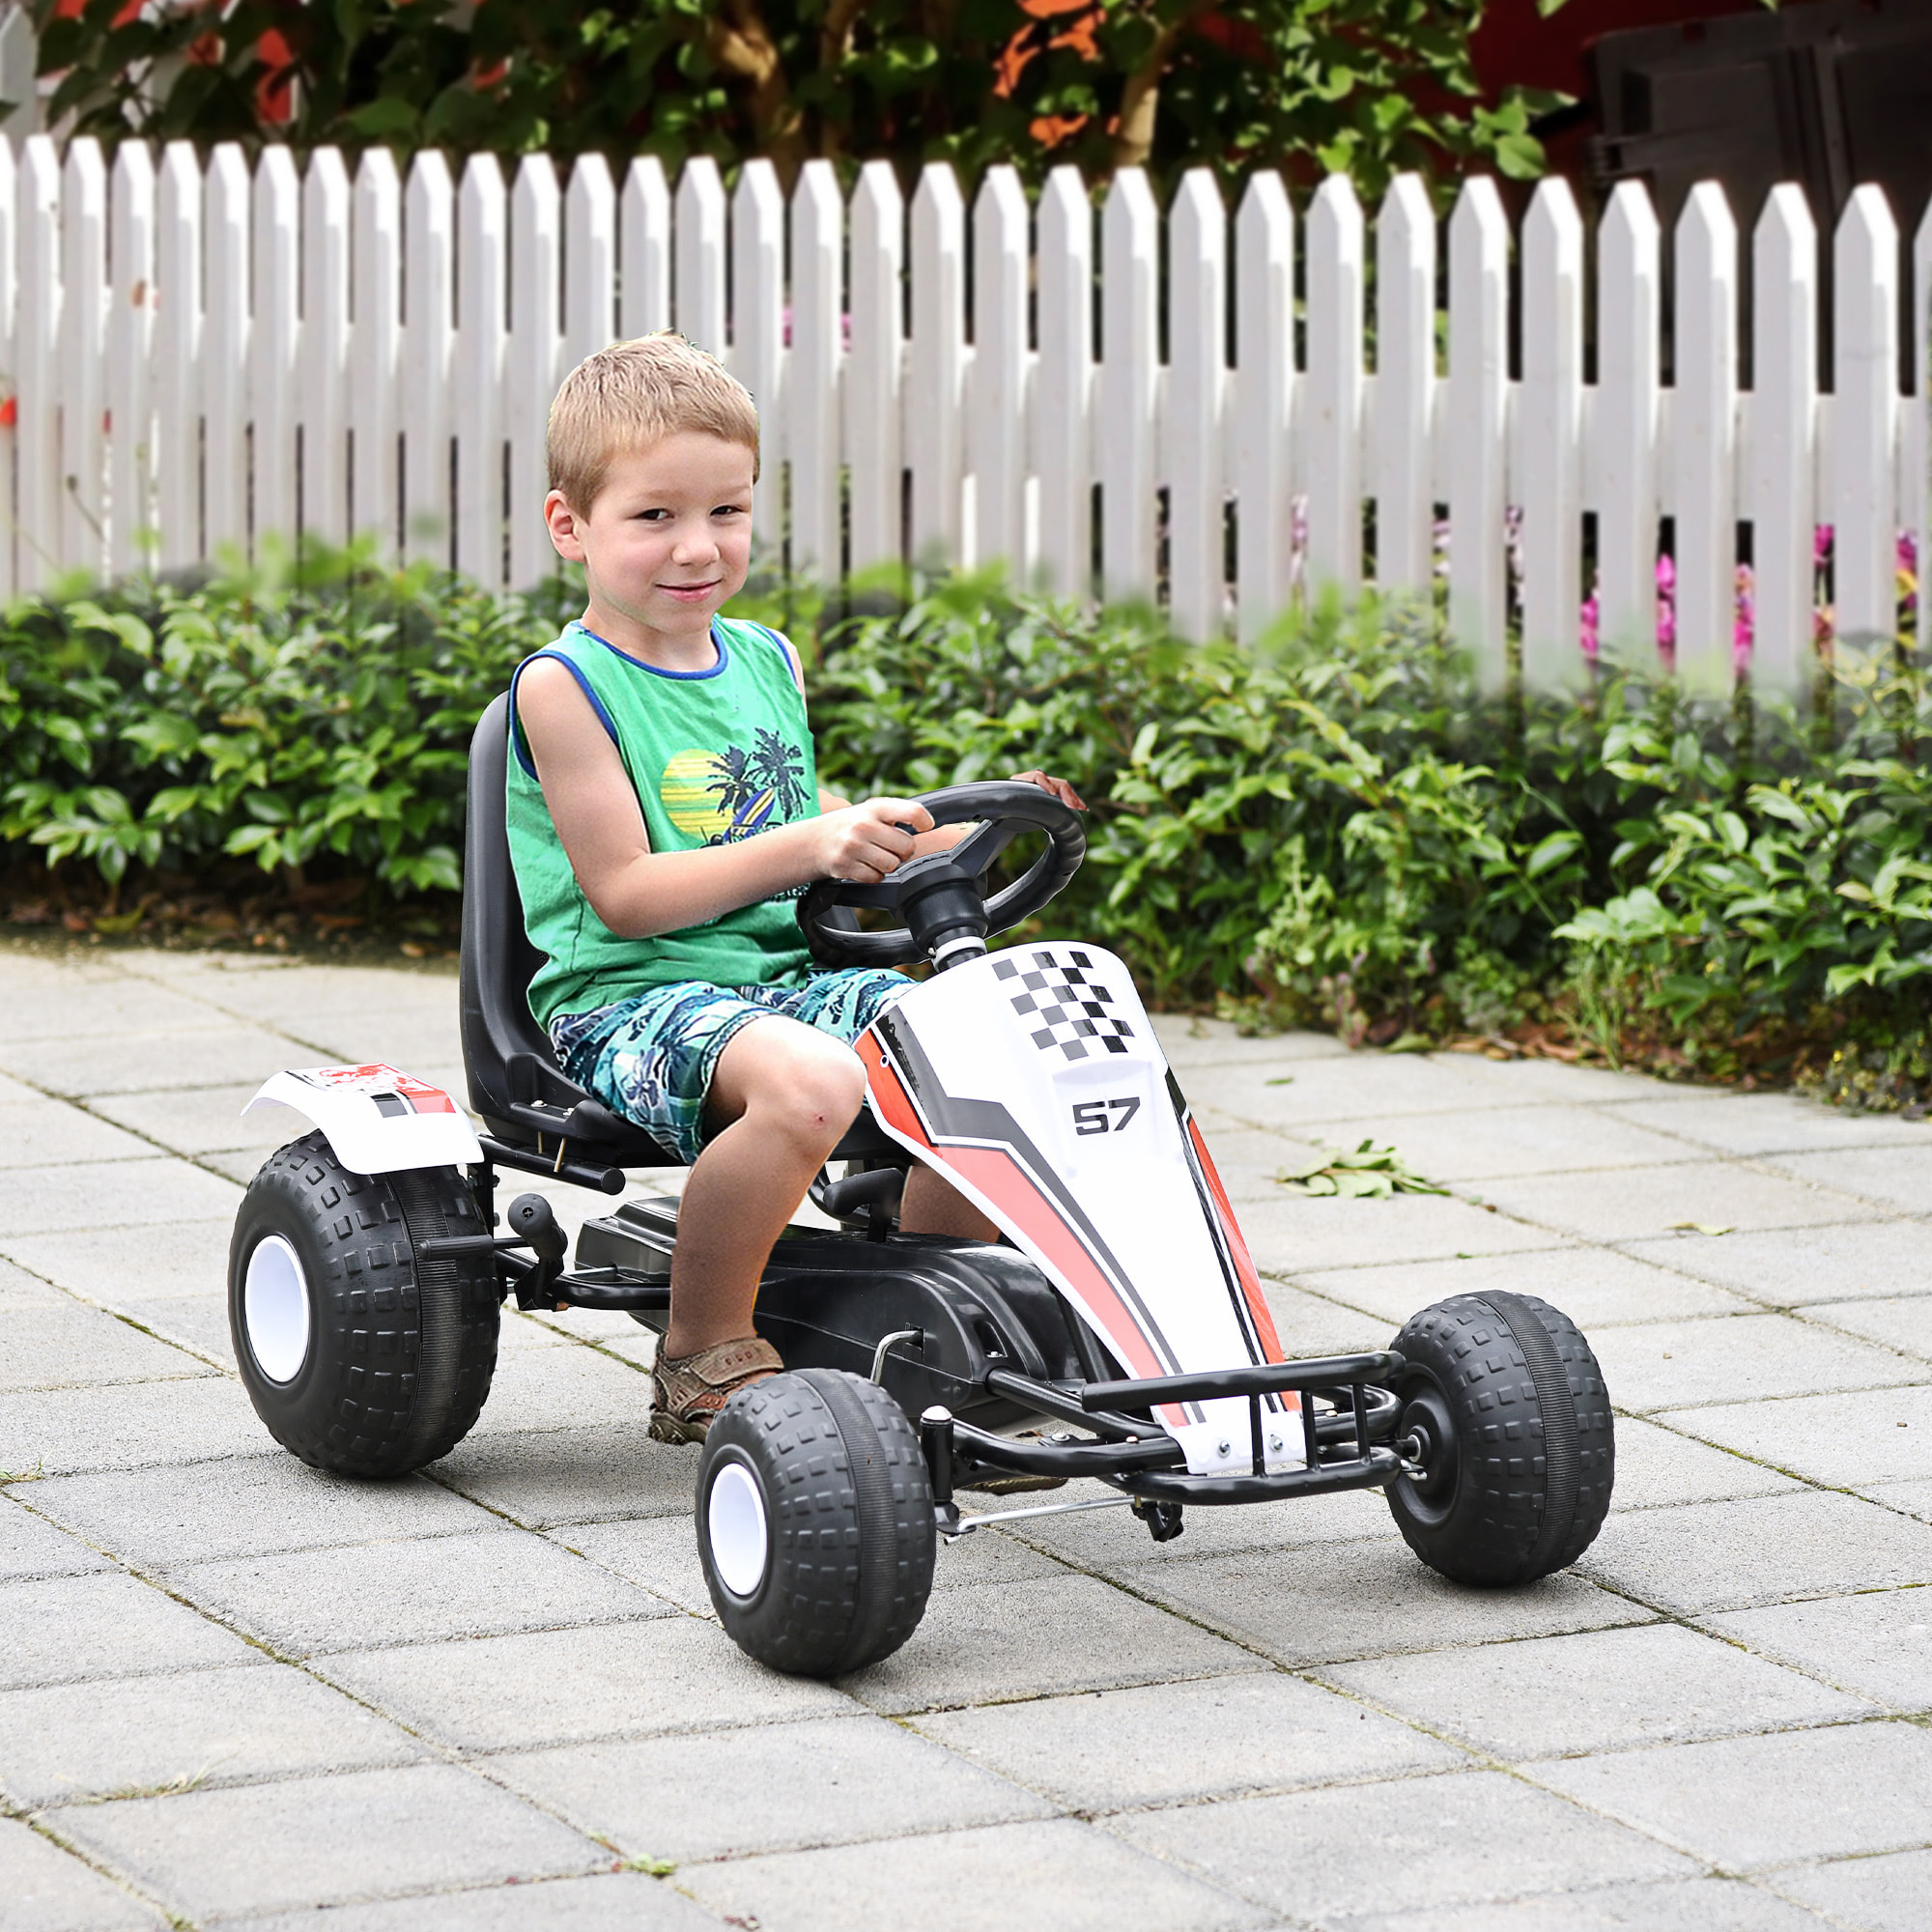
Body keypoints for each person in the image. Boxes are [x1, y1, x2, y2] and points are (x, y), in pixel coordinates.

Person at [507, 332, 1084, 1442]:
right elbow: (625, 894)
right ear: (569, 526)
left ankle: (942, 1321)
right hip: (628, 1001)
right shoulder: (564, 687)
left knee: (983, 1036)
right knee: (815, 1082)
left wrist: (924, 837)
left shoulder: (765, 658)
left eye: (725, 512)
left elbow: (793, 838)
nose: (696, 547)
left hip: (775, 984)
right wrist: (814, 845)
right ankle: (702, 1349)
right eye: (654, 516)